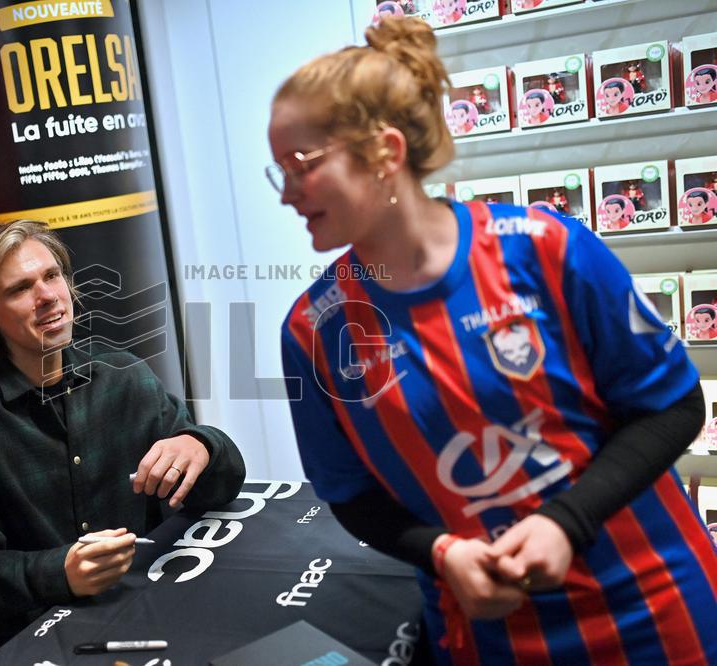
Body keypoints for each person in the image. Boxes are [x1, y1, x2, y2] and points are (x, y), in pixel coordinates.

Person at [268, 17, 716, 665]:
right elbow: (351, 496)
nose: (286, 194)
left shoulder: (548, 250)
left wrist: (566, 522)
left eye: (302, 165)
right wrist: (441, 551)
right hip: (489, 636)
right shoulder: (315, 329)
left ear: (386, 152)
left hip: (652, 611)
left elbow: (673, 406)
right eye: (277, 171)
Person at [0, 220, 246, 664]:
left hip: (144, 609)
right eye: (20, 288)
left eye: (52, 275)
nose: (48, 296)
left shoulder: (124, 376)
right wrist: (56, 573)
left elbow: (218, 488)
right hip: (29, 636)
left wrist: (202, 445)